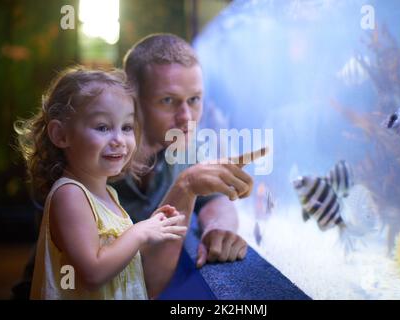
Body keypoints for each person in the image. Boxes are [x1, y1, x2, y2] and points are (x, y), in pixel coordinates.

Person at [14, 67, 187, 299]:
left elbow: (119, 257)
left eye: (126, 127)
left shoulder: (109, 194)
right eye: (103, 127)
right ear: (61, 135)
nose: (119, 140)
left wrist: (153, 226)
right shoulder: (70, 195)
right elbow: (93, 273)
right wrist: (139, 232)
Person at [115, 33, 256, 298]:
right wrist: (186, 185)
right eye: (168, 100)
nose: (187, 117)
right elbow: (133, 283)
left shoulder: (185, 144)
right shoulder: (96, 159)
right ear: (131, 100)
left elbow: (215, 200)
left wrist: (217, 228)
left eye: (194, 100)